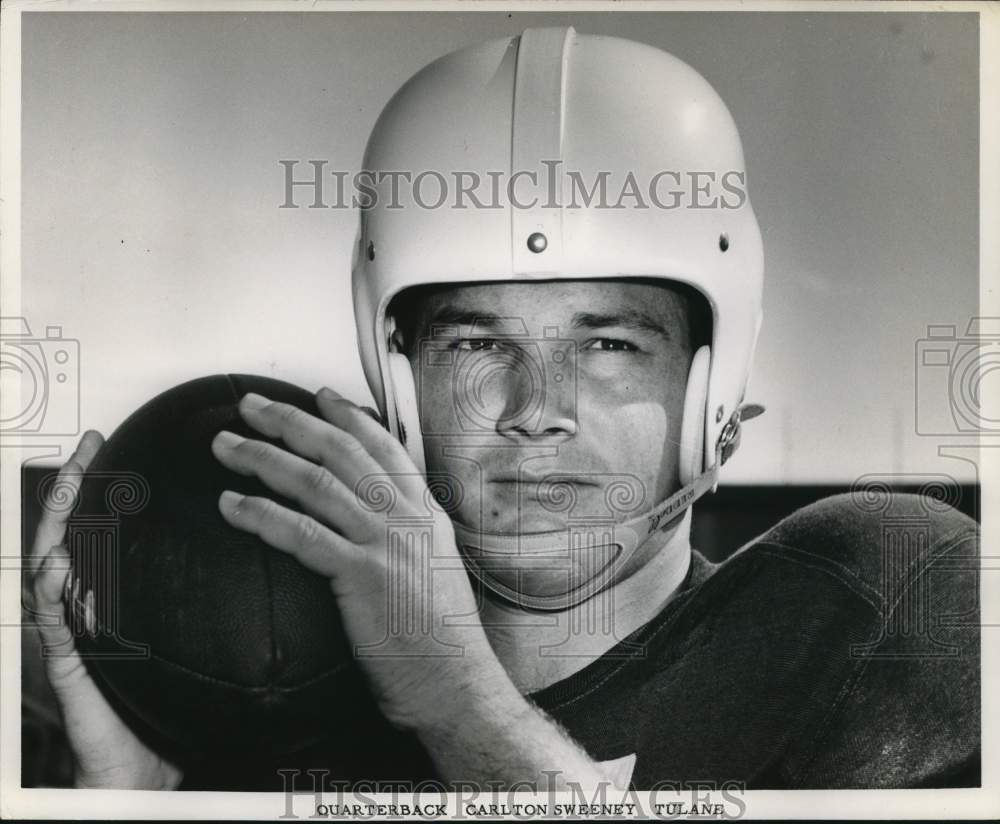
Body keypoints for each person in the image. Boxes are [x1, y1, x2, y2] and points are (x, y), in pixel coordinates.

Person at [29, 27, 979, 791]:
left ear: (711, 385)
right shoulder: (287, 700)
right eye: (477, 345)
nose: (536, 411)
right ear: (398, 381)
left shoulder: (873, 600)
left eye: (608, 346)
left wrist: (458, 704)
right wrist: (134, 797)